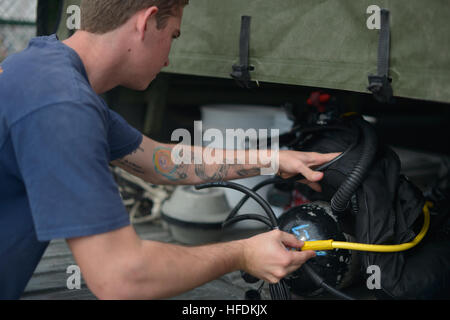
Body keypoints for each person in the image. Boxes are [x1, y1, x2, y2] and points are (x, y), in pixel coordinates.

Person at [0, 0, 340, 300]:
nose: (168, 58)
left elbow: (157, 161)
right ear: (147, 22)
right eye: (173, 36)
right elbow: (121, 277)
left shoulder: (45, 72)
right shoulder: (62, 105)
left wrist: (272, 159)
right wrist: (244, 254)